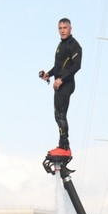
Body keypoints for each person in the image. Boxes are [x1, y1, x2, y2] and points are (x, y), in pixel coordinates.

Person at [40, 18, 82, 157]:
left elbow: (76, 66)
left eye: (65, 28)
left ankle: (65, 147)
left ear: (70, 28)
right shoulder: (61, 44)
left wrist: (61, 79)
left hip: (67, 84)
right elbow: (59, 67)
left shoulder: (74, 45)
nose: (62, 30)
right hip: (59, 84)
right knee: (58, 115)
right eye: (60, 28)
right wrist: (49, 74)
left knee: (60, 114)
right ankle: (62, 145)